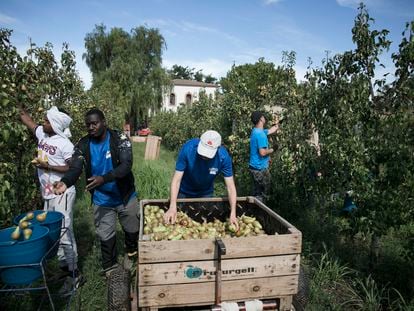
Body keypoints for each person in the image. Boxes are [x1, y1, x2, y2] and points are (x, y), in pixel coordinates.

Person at [53, 108, 139, 275]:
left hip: (125, 195)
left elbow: (126, 166)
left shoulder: (120, 139)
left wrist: (103, 178)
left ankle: (131, 253)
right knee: (106, 236)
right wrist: (65, 182)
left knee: (132, 230)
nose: (91, 127)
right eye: (88, 125)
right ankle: (110, 267)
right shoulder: (83, 144)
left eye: (94, 123)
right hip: (102, 198)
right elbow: (76, 167)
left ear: (104, 122)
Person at [19, 105, 81, 294]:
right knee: (55, 234)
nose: (42, 122)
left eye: (46, 120)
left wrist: (49, 167)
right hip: (48, 193)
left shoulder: (66, 145)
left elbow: (72, 169)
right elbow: (29, 122)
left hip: (62, 193)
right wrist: (17, 104)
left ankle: (75, 275)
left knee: (64, 232)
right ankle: (65, 269)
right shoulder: (42, 134)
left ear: (54, 124)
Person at [163, 130, 239, 230]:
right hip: (184, 192)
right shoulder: (188, 149)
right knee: (180, 224)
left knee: (202, 224)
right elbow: (176, 180)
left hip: (205, 193)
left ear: (218, 148)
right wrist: (173, 205)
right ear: (199, 142)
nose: (204, 156)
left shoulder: (223, 157)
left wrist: (233, 212)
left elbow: (230, 187)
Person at [249, 111, 279, 202]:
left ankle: (254, 211)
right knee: (263, 193)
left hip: (254, 167)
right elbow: (262, 153)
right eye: (263, 117)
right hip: (260, 169)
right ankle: (261, 212)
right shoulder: (260, 135)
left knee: (257, 191)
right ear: (261, 119)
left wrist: (277, 125)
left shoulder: (256, 131)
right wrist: (273, 149)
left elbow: (269, 131)